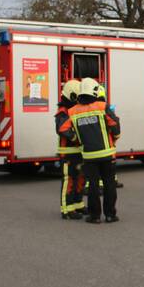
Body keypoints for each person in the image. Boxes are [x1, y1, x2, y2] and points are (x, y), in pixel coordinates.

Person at [62, 78, 121, 224]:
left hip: (88, 156)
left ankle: (94, 216)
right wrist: (115, 137)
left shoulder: (72, 111)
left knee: (93, 186)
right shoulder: (102, 106)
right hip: (107, 154)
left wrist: (76, 138)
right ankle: (110, 215)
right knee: (109, 185)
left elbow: (63, 129)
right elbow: (115, 126)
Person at [55, 79, 85, 220]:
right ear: (72, 96)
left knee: (80, 178)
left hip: (78, 151)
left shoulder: (74, 109)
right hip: (68, 153)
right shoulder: (63, 111)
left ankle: (78, 204)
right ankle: (66, 209)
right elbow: (62, 129)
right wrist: (76, 138)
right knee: (68, 181)